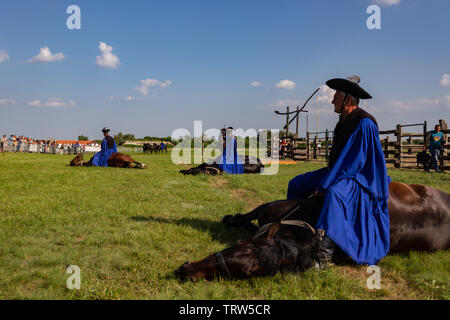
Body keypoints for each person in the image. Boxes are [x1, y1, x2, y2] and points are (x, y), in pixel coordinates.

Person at [287, 76, 390, 266]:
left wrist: (325, 184)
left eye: (336, 97)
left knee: (334, 193)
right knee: (296, 183)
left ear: (347, 100)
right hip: (338, 170)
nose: (332, 100)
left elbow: (353, 162)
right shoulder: (342, 121)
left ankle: (323, 255)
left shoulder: (364, 123)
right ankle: (296, 232)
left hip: (360, 176)